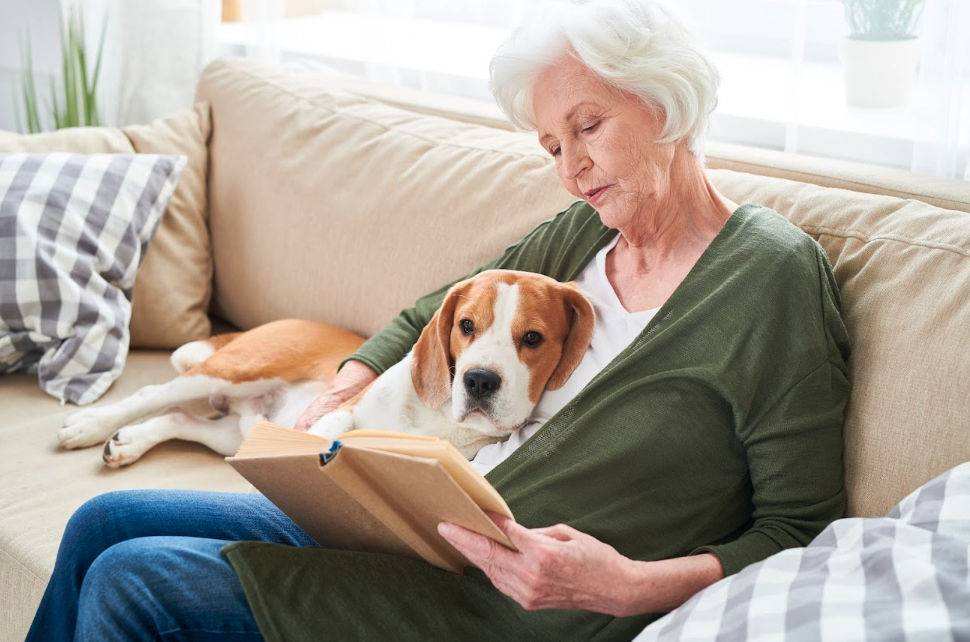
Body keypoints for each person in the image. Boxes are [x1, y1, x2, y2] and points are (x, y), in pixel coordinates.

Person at [26, 1, 851, 640]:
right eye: (552, 147)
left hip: (504, 607)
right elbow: (435, 310)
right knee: (105, 518)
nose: (572, 173)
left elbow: (801, 527)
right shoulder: (583, 232)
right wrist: (341, 389)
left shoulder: (769, 276)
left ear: (667, 101)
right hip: (418, 527)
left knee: (135, 577)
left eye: (588, 128)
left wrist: (626, 584)